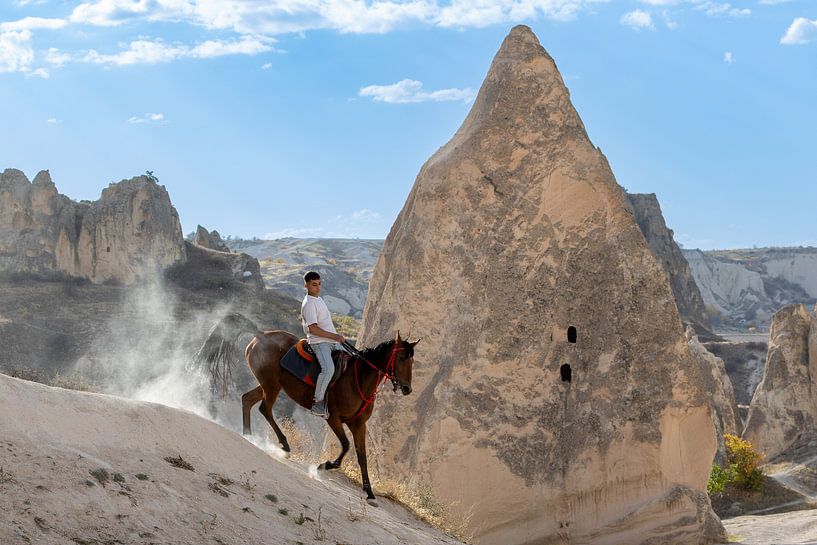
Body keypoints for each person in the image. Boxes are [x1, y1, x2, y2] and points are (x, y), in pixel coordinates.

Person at [301, 271, 345, 418]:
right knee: (328, 369)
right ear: (306, 285)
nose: (318, 287)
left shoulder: (318, 299)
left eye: (319, 284)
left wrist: (335, 338)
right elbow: (312, 328)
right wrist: (335, 336)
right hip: (319, 343)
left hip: (330, 341)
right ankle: (318, 403)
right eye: (314, 285)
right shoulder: (309, 304)